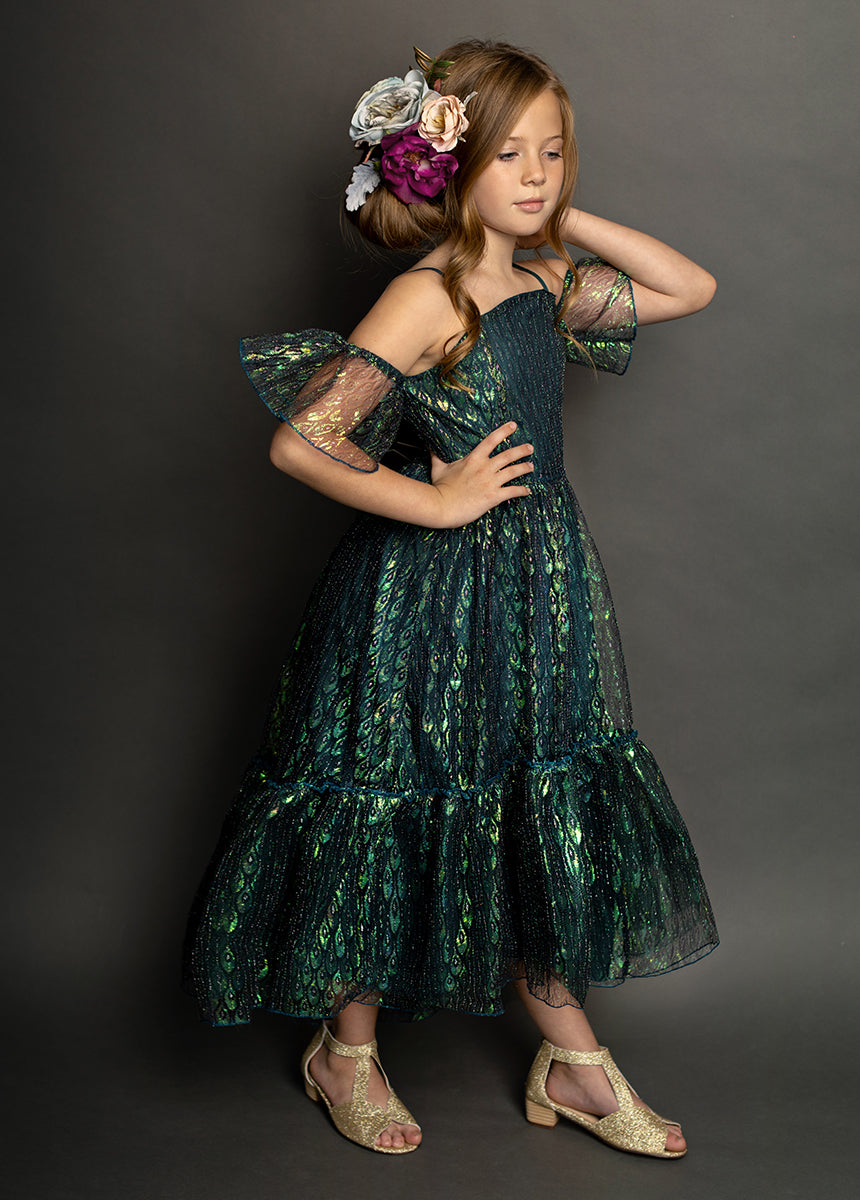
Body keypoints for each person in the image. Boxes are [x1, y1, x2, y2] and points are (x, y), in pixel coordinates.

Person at [182, 39, 719, 1160]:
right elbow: (303, 441)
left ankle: (570, 1060)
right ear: (447, 167)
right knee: (394, 793)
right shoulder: (423, 297)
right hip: (423, 594)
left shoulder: (540, 284)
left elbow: (689, 288)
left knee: (525, 801)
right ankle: (347, 1050)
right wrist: (433, 502)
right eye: (508, 155)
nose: (535, 175)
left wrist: (560, 216)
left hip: (535, 588)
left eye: (553, 153)